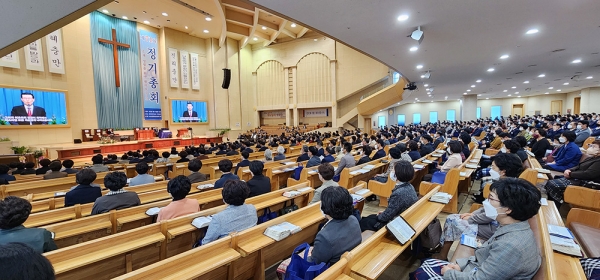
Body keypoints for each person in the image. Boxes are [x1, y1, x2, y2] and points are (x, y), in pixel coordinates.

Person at [414, 178, 541, 279]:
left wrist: (449, 274)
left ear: (507, 209)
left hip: (476, 274)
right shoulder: (511, 227)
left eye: (490, 198)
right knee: (426, 265)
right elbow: (484, 259)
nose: (486, 202)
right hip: (475, 268)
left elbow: (480, 278)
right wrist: (461, 265)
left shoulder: (511, 246)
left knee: (421, 274)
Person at [440, 153, 524, 259]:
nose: (490, 169)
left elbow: (491, 214)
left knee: (452, 219)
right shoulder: (506, 184)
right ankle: (443, 251)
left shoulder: (508, 191)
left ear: (503, 172)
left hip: (495, 227)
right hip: (490, 222)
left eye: (493, 167)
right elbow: (487, 207)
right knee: (455, 218)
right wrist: (472, 213)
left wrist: (472, 218)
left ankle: (442, 255)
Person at [360, 161, 418, 231]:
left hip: (396, 223)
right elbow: (393, 209)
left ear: (397, 174)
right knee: (369, 217)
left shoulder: (399, 193)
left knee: (364, 222)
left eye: (393, 170)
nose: (391, 172)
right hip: (403, 217)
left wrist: (382, 215)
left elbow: (385, 217)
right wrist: (385, 213)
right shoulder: (410, 186)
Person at [309, 187, 362, 265]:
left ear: (326, 207)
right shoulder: (353, 219)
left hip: (333, 269)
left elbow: (315, 262)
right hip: (349, 259)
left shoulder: (324, 236)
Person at [545, 140, 600, 208]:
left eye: (593, 147)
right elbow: (578, 166)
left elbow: (589, 174)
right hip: (578, 178)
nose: (590, 147)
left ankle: (556, 206)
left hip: (587, 183)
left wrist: (571, 174)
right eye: (591, 145)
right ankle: (552, 204)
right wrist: (569, 170)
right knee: (551, 181)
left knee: (553, 184)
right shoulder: (592, 158)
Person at [201, 180, 257, 244]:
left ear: (224, 198)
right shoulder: (252, 208)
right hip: (249, 242)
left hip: (228, 250)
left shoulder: (218, 219)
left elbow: (206, 243)